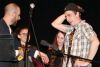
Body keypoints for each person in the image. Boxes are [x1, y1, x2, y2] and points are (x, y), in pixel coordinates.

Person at [0, 3, 49, 67]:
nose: (19, 18)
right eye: (18, 15)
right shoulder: (1, 27)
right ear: (13, 14)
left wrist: (39, 53)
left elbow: (20, 48)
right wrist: (19, 52)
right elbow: (4, 53)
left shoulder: (8, 29)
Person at [51, 3, 100, 67]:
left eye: (69, 15)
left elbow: (96, 42)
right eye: (66, 17)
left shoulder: (84, 26)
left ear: (77, 14)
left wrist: (87, 61)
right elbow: (54, 24)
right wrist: (66, 12)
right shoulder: (70, 29)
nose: (67, 19)